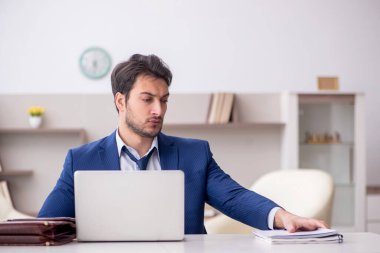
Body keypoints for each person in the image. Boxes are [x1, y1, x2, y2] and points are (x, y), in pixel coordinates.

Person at [38, 54, 327, 234]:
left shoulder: (193, 154)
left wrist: (283, 216)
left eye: (163, 100)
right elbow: (46, 225)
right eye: (147, 99)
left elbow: (234, 198)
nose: (158, 110)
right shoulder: (81, 160)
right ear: (120, 101)